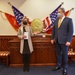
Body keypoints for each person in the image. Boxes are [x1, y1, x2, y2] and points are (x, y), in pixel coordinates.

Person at [51, 8, 73, 75]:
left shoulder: (69, 20)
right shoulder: (56, 20)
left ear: (63, 12)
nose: (57, 13)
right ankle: (58, 66)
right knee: (58, 54)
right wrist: (52, 38)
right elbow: (54, 30)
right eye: (57, 12)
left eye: (59, 12)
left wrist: (69, 40)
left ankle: (65, 68)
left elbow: (71, 31)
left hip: (65, 41)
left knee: (64, 55)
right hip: (57, 40)